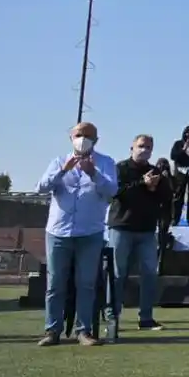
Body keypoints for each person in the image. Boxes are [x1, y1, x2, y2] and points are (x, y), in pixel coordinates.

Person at [36, 121, 119, 346]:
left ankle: (84, 331)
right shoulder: (58, 161)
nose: (82, 139)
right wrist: (63, 170)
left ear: (96, 140)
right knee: (55, 283)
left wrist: (94, 174)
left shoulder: (106, 162)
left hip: (90, 232)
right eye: (78, 135)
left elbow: (112, 190)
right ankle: (52, 330)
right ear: (71, 138)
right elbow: (41, 187)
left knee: (86, 283)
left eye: (88, 136)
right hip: (58, 231)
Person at [107, 134, 169, 333]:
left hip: (147, 230)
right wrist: (142, 184)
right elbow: (117, 192)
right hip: (121, 227)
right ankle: (112, 317)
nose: (145, 150)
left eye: (149, 147)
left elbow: (167, 197)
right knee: (118, 274)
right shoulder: (121, 168)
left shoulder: (155, 171)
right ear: (131, 148)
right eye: (141, 146)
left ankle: (146, 317)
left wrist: (154, 188)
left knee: (150, 273)